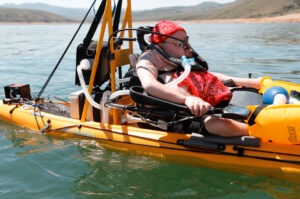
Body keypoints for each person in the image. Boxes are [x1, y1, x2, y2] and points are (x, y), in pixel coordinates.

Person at [136, 20, 261, 137]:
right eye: (179, 43)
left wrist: (253, 83)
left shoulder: (178, 58)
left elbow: (207, 75)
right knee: (214, 124)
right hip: (186, 114)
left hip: (215, 103)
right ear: (161, 46)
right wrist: (187, 99)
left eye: (186, 40)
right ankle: (259, 132)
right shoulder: (151, 57)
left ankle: (263, 122)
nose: (186, 45)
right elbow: (149, 85)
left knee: (258, 100)